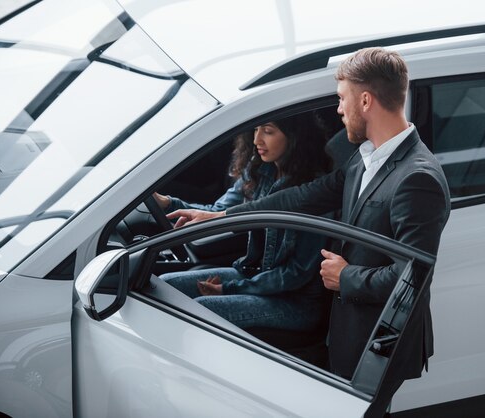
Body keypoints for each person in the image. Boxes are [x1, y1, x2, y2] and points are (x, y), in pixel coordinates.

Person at [169, 47, 451, 405]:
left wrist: (345, 276)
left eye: (341, 99)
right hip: (349, 327)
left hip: (380, 337)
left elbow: (412, 278)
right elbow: (300, 197)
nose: (338, 110)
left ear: (365, 101)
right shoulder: (364, 160)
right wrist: (222, 217)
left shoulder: (418, 178)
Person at [159, 112, 333, 332]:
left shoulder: (314, 191)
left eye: (268, 131)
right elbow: (217, 212)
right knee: (165, 286)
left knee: (201, 309)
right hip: (255, 276)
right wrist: (167, 203)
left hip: (293, 301)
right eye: (256, 129)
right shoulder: (260, 170)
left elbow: (296, 273)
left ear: (295, 136)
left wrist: (231, 289)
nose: (256, 140)